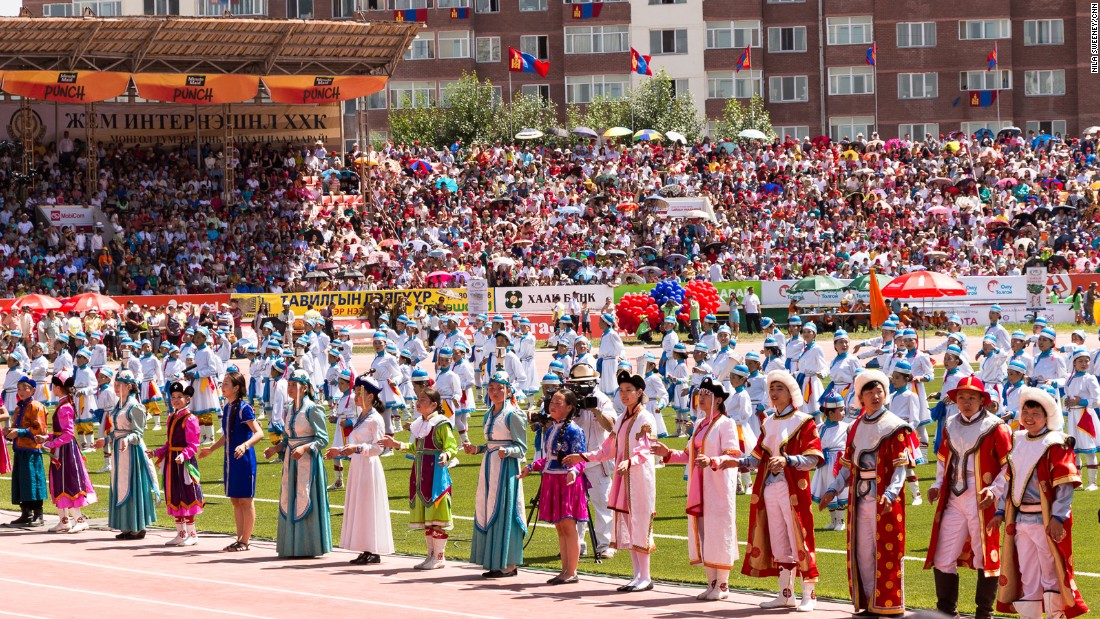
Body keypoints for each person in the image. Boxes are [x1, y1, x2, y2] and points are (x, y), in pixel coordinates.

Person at [819, 370, 914, 617]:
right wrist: (832, 489)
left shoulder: (895, 427)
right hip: (860, 500)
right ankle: (872, 602)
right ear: (861, 398)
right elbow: (848, 466)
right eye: (869, 392)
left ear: (885, 393)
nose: (875, 396)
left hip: (884, 500)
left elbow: (900, 469)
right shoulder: (856, 427)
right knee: (863, 552)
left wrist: (891, 495)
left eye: (879, 391)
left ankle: (891, 605)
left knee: (887, 551)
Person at [992, 386, 1089, 619]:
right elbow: (1010, 481)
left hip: (1045, 521)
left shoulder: (1057, 443)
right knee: (1027, 573)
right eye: (1025, 412)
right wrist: (1000, 511)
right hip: (1021, 520)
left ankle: (1055, 616)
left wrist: (1057, 518)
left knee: (1050, 572)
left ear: (1047, 417)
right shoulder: (1019, 440)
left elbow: (1064, 487)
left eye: (1035, 414)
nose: (1028, 417)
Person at [925, 375, 1012, 619]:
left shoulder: (996, 426)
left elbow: (1009, 466)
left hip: (982, 497)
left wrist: (994, 490)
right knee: (943, 555)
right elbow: (944, 460)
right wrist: (937, 484)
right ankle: (945, 612)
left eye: (972, 397)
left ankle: (984, 613)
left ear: (982, 400)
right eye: (961, 397)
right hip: (953, 495)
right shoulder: (951, 423)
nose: (966, 402)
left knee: (985, 555)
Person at [564, 370, 658, 593]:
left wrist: (630, 461)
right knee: (629, 523)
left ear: (639, 392)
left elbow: (647, 448)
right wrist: (584, 456)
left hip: (639, 480)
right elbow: (608, 449)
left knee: (641, 523)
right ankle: (637, 575)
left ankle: (645, 576)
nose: (624, 395)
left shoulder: (645, 417)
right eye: (622, 391)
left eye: (629, 391)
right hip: (624, 478)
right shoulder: (623, 418)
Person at [737, 370, 824, 611]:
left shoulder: (804, 421)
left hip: (792, 488)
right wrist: (731, 461)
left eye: (780, 389)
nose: (774, 393)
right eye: (772, 389)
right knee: (778, 540)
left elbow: (814, 458)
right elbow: (756, 458)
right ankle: (786, 594)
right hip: (770, 488)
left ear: (790, 393)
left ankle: (810, 593)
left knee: (800, 536)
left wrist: (789, 461)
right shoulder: (768, 422)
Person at [652, 377, 742, 601]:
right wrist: (667, 453)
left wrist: (712, 461)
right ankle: (711, 582)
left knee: (719, 532)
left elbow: (734, 454)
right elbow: (687, 455)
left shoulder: (726, 424)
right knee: (703, 533)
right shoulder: (701, 424)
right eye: (699, 395)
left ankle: (722, 584)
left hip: (717, 486)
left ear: (719, 400)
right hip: (699, 487)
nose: (701, 398)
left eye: (706, 395)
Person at [379, 387, 458, 570]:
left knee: (437, 516)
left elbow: (451, 445)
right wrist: (396, 444)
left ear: (434, 405)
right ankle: (430, 555)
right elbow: (415, 448)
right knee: (427, 519)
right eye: (418, 399)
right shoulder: (419, 424)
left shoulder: (441, 424)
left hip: (436, 476)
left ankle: (439, 557)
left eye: (423, 399)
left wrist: (446, 455)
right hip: (420, 475)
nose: (418, 402)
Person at [518, 388, 588, 585]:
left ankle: (571, 571)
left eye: (558, 403)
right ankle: (564, 569)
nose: (553, 406)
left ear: (569, 407)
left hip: (566, 482)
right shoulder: (551, 429)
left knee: (567, 525)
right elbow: (548, 459)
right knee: (559, 527)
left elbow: (580, 458)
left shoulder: (575, 430)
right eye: (552, 402)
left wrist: (574, 471)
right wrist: (530, 467)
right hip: (551, 480)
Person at [465, 371, 528, 578]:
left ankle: (509, 564)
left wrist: (507, 452)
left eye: (500, 388)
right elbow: (491, 444)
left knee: (505, 511)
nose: (495, 392)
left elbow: (522, 448)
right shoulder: (488, 413)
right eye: (491, 388)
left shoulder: (513, 414)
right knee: (487, 508)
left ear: (508, 390)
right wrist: (477, 449)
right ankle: (493, 561)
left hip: (506, 469)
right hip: (489, 466)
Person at [263, 369, 332, 558]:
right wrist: (275, 449)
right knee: (289, 497)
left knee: (305, 495)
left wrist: (305, 448)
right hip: (291, 461)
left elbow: (323, 438)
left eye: (294, 385)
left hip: (307, 461)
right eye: (290, 385)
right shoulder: (290, 408)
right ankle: (291, 545)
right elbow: (288, 438)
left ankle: (308, 545)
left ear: (304, 387)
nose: (291, 388)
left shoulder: (312, 408)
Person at [326, 375, 394, 565]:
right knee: (360, 506)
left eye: (359, 393)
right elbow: (355, 443)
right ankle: (365, 547)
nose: (355, 397)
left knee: (368, 505)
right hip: (358, 465)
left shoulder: (375, 419)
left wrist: (355, 449)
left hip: (368, 466)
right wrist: (338, 450)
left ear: (370, 396)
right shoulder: (361, 417)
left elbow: (378, 448)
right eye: (355, 393)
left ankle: (373, 549)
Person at [199, 367, 263, 551]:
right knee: (235, 500)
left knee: (246, 500)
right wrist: (211, 449)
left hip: (244, 460)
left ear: (236, 388)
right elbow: (227, 435)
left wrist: (245, 445)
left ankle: (245, 540)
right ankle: (239, 538)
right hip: (231, 460)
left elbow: (259, 433)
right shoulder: (227, 408)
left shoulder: (244, 408)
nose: (222, 386)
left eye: (226, 384)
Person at [98, 370, 158, 540]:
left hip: (132, 452)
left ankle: (137, 526)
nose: (115, 388)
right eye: (115, 385)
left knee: (132, 485)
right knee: (119, 484)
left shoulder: (135, 405)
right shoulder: (119, 404)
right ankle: (126, 525)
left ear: (129, 386)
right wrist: (106, 439)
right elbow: (117, 430)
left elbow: (138, 433)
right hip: (119, 450)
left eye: (119, 385)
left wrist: (127, 439)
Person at [41, 373, 99, 533]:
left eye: (54, 386)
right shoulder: (63, 404)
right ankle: (64, 520)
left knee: (70, 482)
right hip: (61, 449)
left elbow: (67, 434)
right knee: (59, 482)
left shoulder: (65, 406)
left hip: (65, 452)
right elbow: (61, 432)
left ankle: (79, 520)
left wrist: (50, 443)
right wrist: (48, 437)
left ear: (58, 388)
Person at [151, 382, 204, 547]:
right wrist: (156, 452)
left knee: (187, 494)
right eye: (173, 397)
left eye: (179, 397)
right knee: (174, 494)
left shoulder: (190, 418)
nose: (175, 400)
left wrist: (183, 455)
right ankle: (181, 533)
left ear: (187, 399)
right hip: (172, 462)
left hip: (184, 462)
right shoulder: (171, 417)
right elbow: (169, 443)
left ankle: (192, 533)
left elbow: (194, 444)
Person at [4, 377, 48, 527]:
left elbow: (40, 429)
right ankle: (26, 512)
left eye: (25, 389)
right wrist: (8, 431)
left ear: (33, 390)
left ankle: (38, 514)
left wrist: (20, 432)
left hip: (32, 450)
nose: (21, 392)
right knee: (22, 481)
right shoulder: (18, 408)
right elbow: (18, 427)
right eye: (19, 389)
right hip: (20, 449)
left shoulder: (36, 406)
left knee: (33, 481)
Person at [811, 392, 852, 531]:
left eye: (842, 409)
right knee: (826, 488)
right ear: (829, 413)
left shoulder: (846, 427)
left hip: (839, 463)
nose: (842, 412)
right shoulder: (819, 428)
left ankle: (841, 521)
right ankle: (833, 520)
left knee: (840, 490)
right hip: (824, 463)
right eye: (839, 410)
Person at [1062, 348, 1100, 490]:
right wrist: (1066, 402)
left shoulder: (1090, 378)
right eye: (1080, 361)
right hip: (1073, 416)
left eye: (1086, 361)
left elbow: (1097, 399)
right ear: (1074, 363)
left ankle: (1092, 482)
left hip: (1086, 416)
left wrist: (1082, 402)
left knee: (1090, 449)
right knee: (1075, 449)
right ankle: (1078, 481)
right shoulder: (1069, 379)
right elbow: (1066, 395)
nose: (1084, 364)